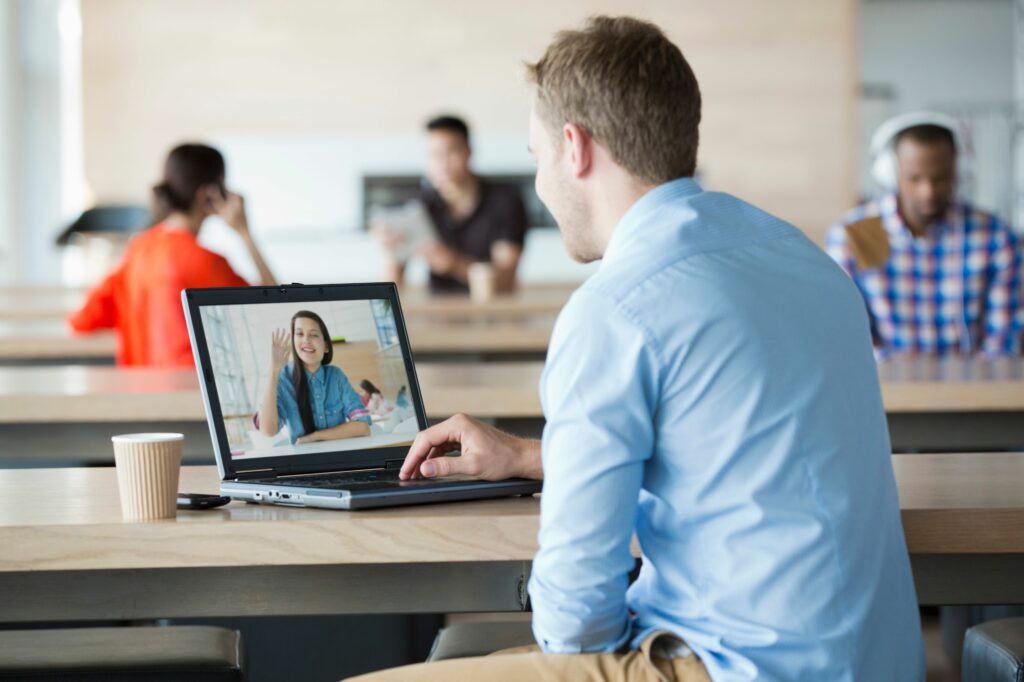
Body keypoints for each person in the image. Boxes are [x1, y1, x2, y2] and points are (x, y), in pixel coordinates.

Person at [351, 15, 923, 682]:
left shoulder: (615, 309)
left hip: (732, 667)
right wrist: (530, 456)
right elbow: (728, 451)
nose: (539, 185)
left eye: (538, 159)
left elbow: (575, 621)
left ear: (575, 148)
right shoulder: (803, 259)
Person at [826, 113, 1022, 356]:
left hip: (975, 388)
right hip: (885, 388)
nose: (927, 192)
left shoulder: (996, 238)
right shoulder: (853, 236)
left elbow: (1003, 340)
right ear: (890, 172)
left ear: (958, 171)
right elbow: (847, 335)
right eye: (915, 178)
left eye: (939, 178)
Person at [67, 143, 276, 366]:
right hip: (189, 395)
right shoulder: (207, 262)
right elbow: (276, 312)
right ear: (209, 194)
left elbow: (82, 321)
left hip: (137, 395)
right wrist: (245, 234)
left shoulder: (138, 249)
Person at [375, 115, 527, 293]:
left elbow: (505, 280)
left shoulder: (505, 202)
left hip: (493, 310)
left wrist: (452, 263)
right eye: (434, 155)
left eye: (450, 152)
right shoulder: (419, 206)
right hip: (439, 312)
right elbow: (391, 285)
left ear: (468, 151)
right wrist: (392, 251)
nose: (442, 163)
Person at [258, 310, 371, 445]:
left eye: (314, 335)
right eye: (299, 334)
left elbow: (363, 426)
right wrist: (273, 372)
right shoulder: (284, 378)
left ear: (326, 346)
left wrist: (315, 436)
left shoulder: (336, 377)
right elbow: (267, 431)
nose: (306, 340)